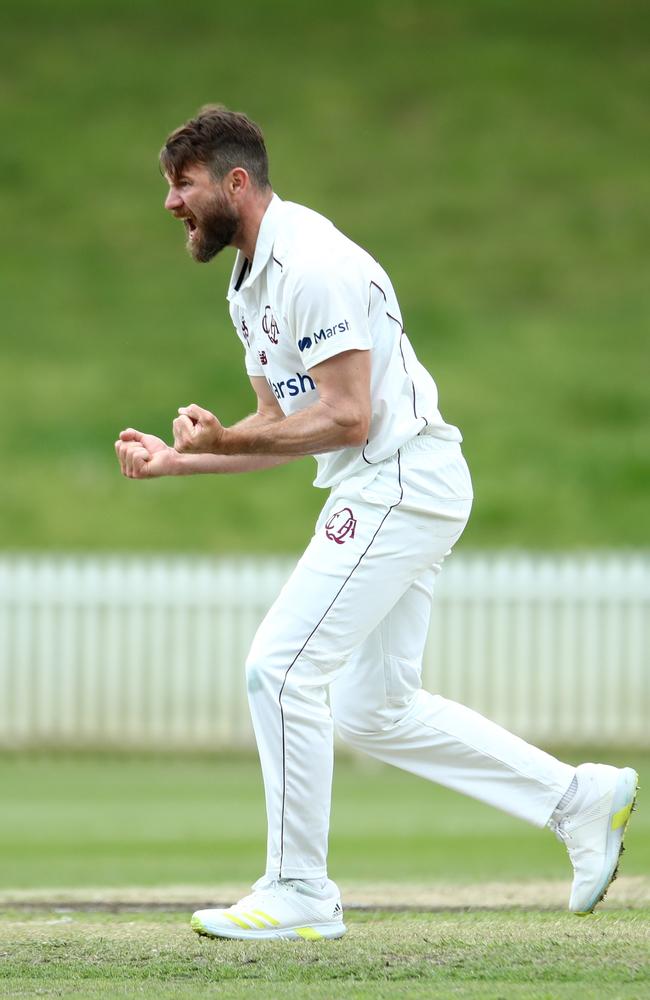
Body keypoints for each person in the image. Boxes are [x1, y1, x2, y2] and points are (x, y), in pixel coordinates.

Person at [115, 105, 637, 942]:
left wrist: (224, 437)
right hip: (390, 482)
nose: (171, 204)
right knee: (374, 708)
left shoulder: (313, 262)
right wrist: (186, 458)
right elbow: (280, 430)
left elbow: (348, 417)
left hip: (399, 479)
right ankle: (579, 800)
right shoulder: (249, 284)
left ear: (235, 182)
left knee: (279, 669)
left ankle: (299, 892)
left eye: (182, 186)